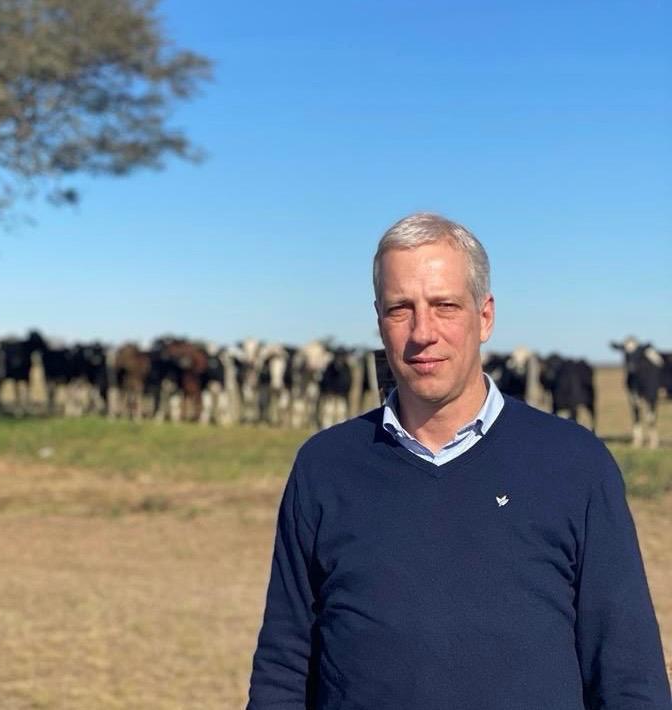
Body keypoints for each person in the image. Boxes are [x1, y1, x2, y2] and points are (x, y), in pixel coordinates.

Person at [246, 212, 671, 709]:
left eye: (444, 305)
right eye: (400, 309)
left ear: (485, 316)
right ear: (379, 320)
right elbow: (284, 664)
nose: (422, 332)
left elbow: (629, 675)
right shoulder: (324, 467)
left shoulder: (576, 465)